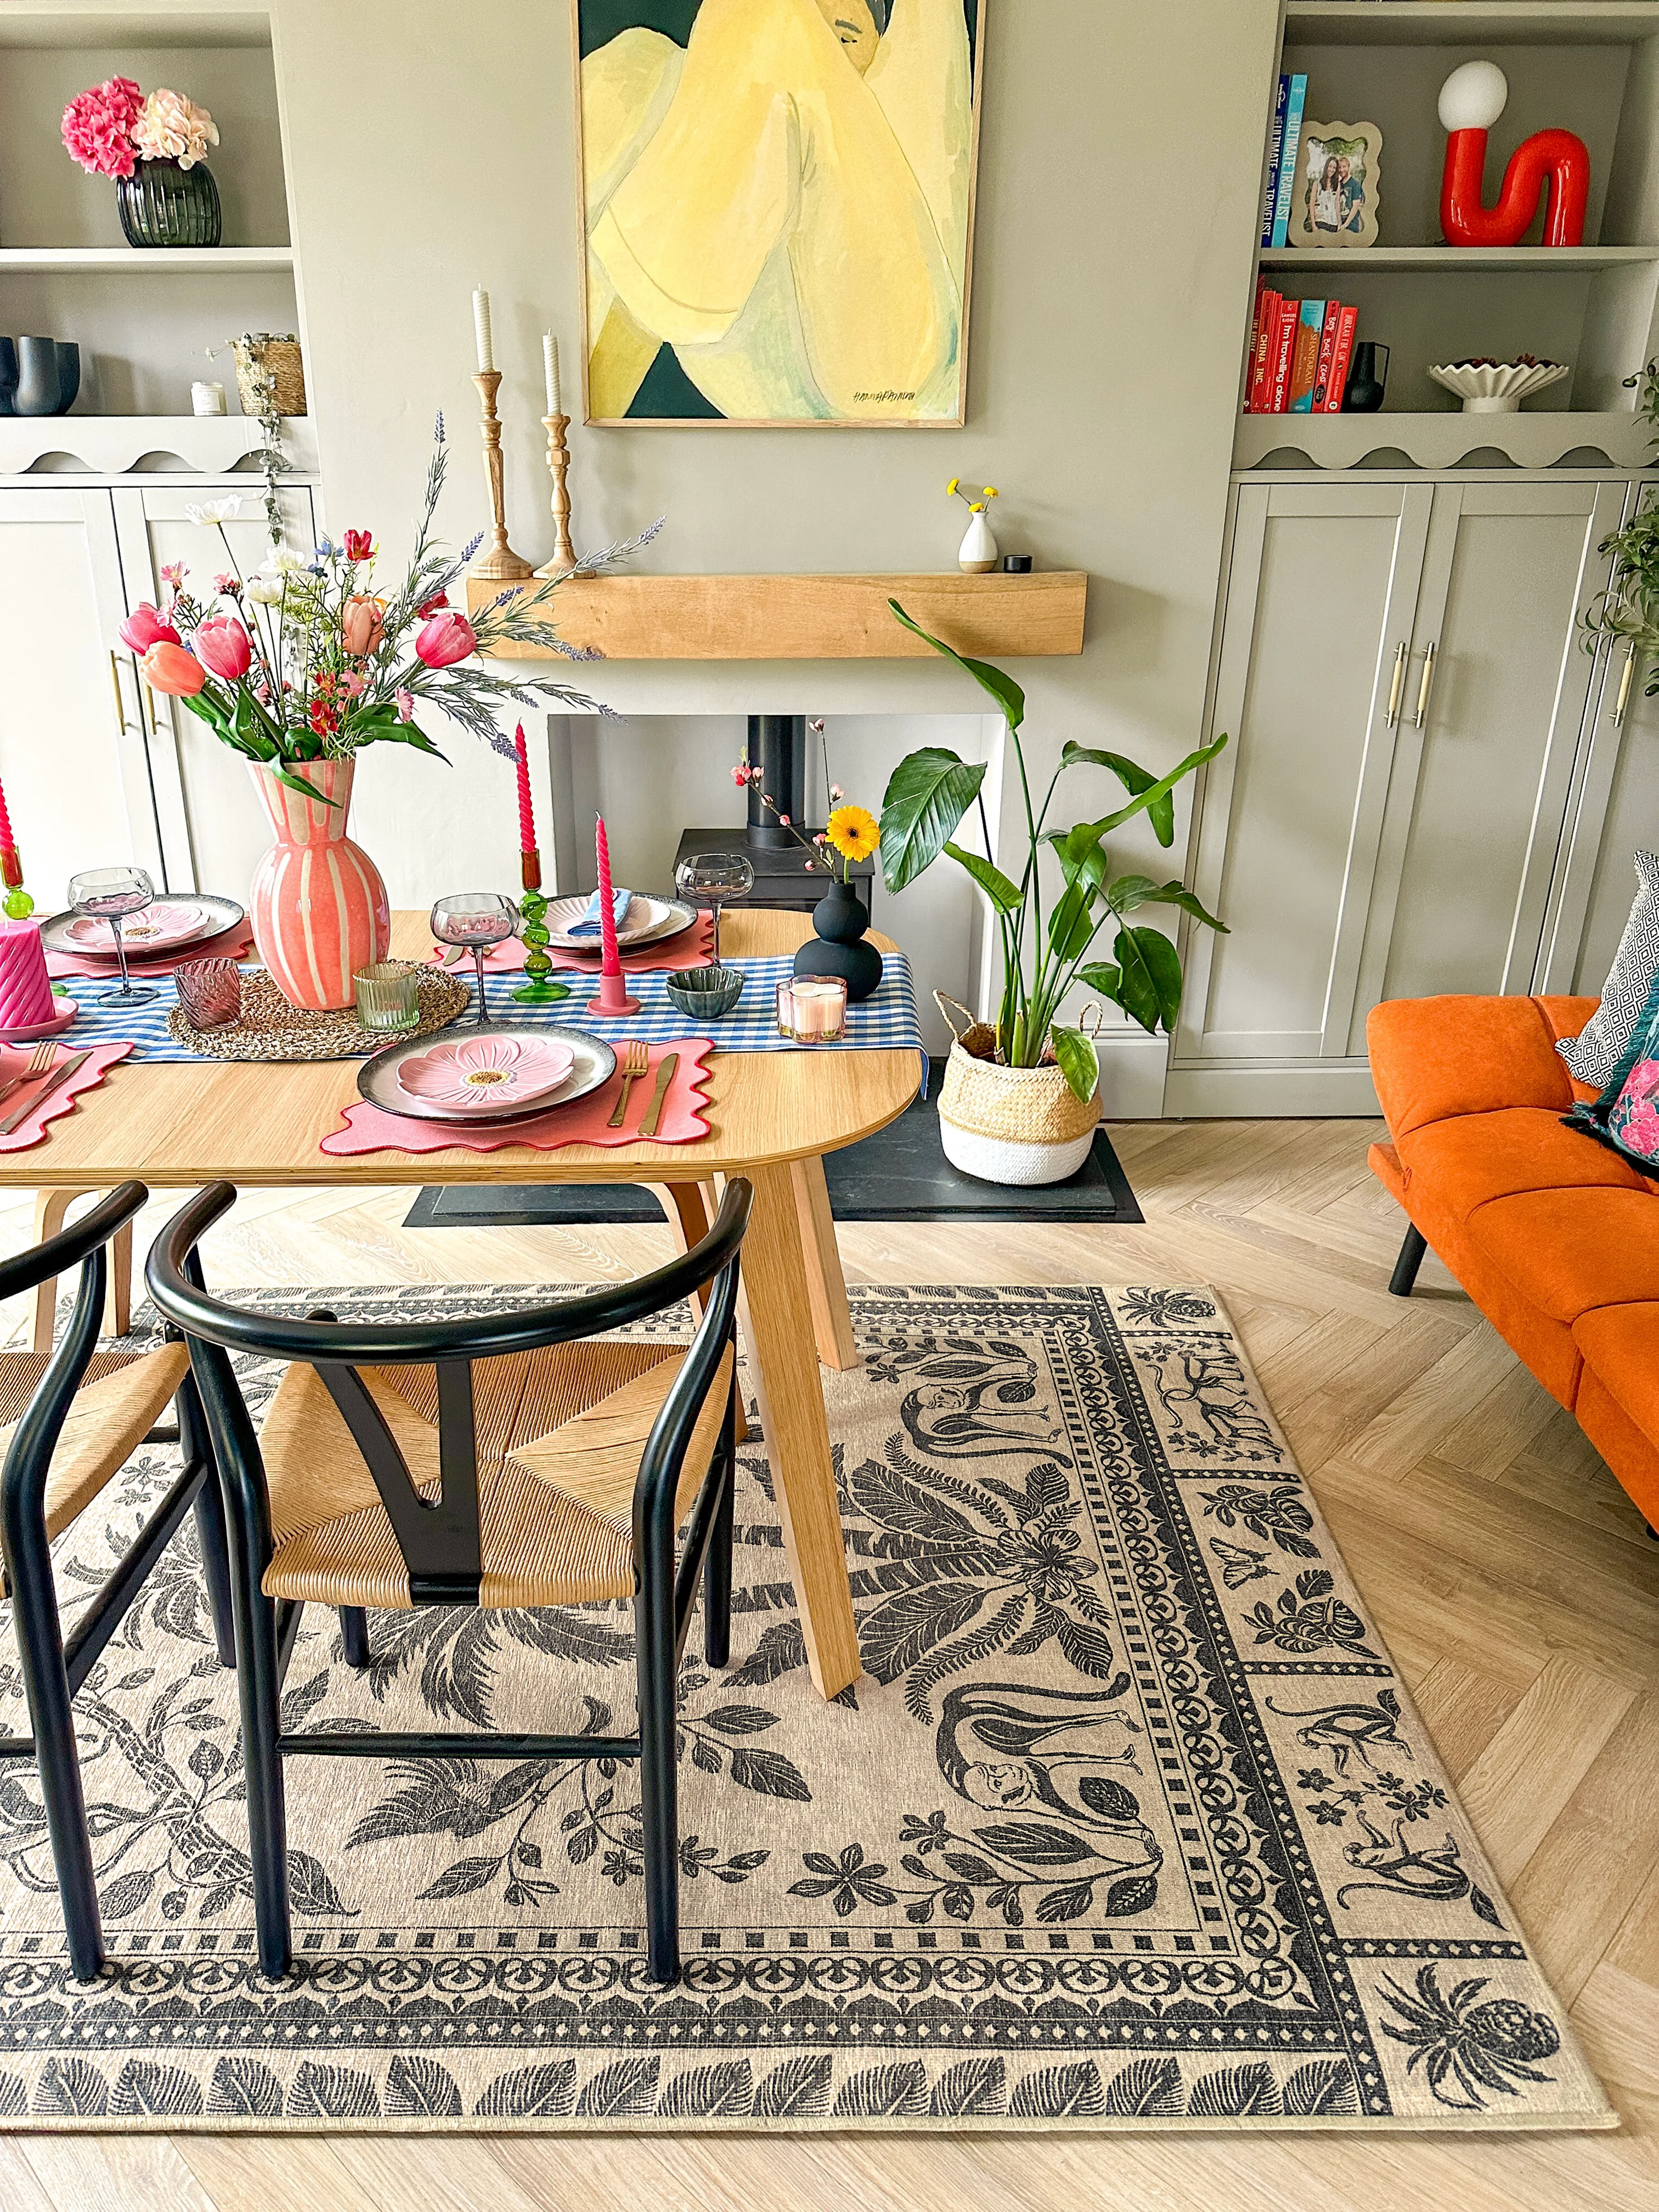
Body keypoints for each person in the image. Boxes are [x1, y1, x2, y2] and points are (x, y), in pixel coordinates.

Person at [581, 0, 974, 421]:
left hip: (904, 365)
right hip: (761, 337)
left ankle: (640, 325)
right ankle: (578, 434)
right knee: (632, 67)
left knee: (771, 20)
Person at [1310, 151, 1342, 234]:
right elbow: (1312, 205)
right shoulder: (1317, 184)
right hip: (1320, 223)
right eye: (1330, 166)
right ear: (1326, 167)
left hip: (1333, 224)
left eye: (1334, 168)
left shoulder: (1337, 185)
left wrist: (1339, 224)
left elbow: (1337, 205)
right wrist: (1314, 226)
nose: (1331, 169)